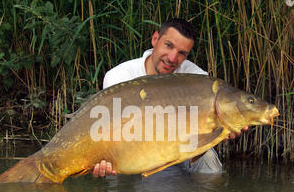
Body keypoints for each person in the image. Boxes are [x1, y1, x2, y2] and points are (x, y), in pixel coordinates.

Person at [93, 18, 245, 178]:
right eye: (169, 46)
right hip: (132, 148)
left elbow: (206, 128)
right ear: (155, 39)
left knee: (208, 162)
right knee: (115, 172)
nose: (172, 58)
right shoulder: (120, 76)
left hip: (181, 146)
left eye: (182, 53)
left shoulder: (198, 79)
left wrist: (225, 126)